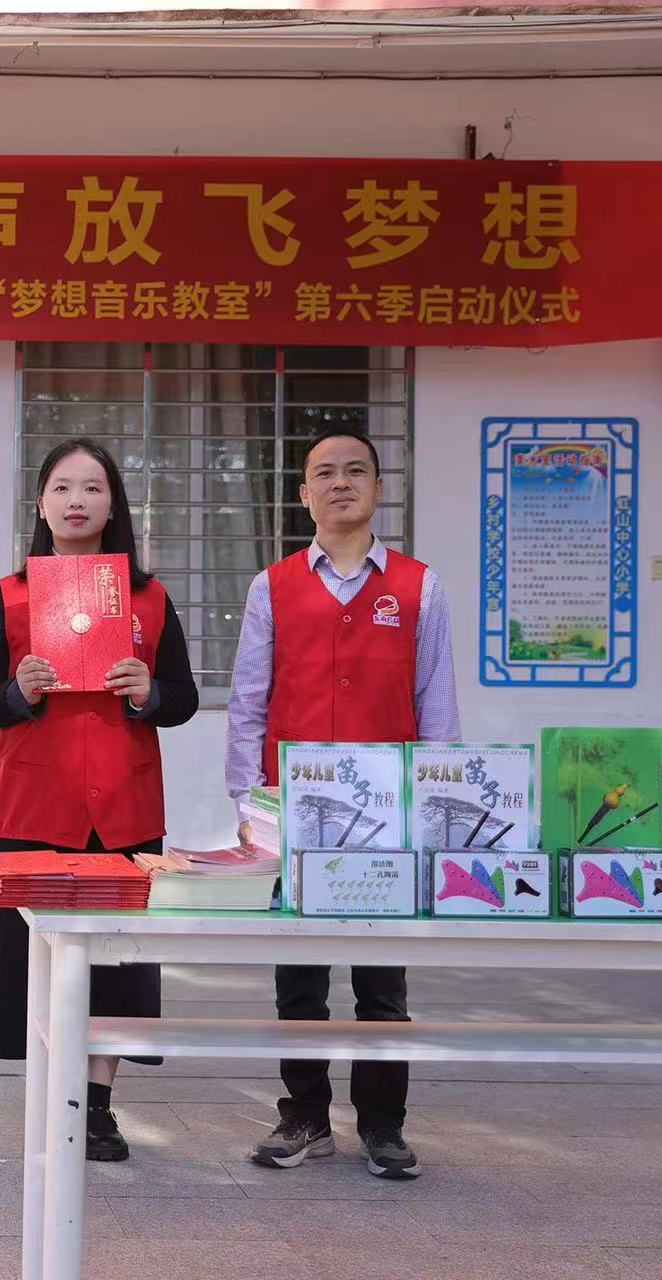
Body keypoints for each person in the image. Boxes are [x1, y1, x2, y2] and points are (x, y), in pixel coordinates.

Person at [224, 427, 460, 1181]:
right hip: (295, 813)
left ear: (379, 488)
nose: (340, 483)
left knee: (382, 983)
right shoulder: (273, 586)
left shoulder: (421, 587)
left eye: (356, 470)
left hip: (391, 820)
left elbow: (438, 705)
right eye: (324, 473)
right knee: (298, 978)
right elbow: (249, 699)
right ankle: (304, 1116)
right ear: (304, 494)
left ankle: (384, 1126)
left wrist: (438, 807)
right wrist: (247, 801)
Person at [0, 438, 199, 1161]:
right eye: (62, 487)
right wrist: (18, 693)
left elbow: (183, 696)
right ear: (41, 504)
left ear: (113, 504)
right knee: (35, 956)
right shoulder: (10, 595)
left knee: (117, 964)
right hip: (35, 803)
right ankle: (50, 1091)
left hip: (124, 805)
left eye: (93, 487)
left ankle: (96, 1106)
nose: (77, 501)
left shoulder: (149, 598)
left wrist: (149, 693)